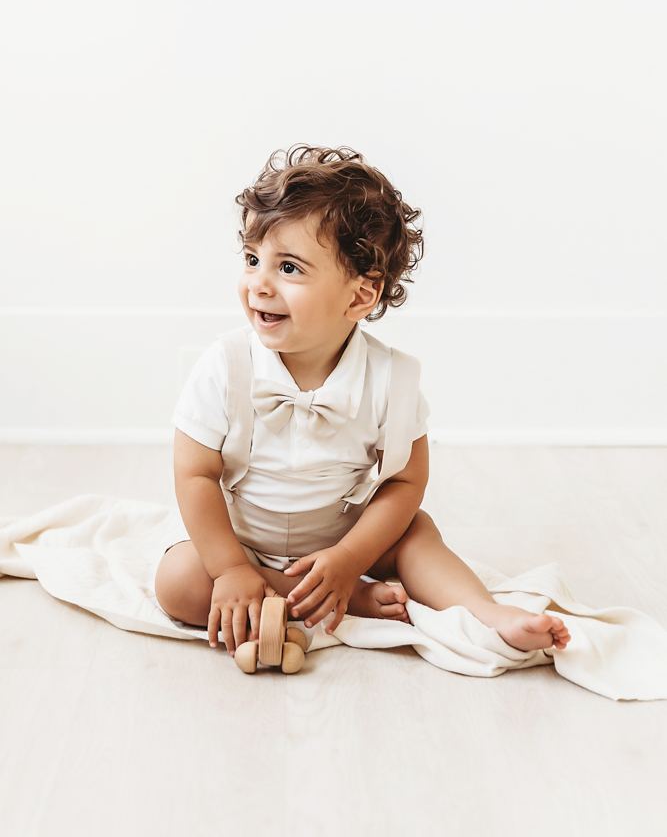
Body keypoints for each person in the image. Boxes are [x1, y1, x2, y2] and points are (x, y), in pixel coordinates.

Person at [155, 145, 570, 657]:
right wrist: (231, 569)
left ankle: (487, 614)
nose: (258, 284)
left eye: (288, 268)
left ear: (359, 296)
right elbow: (194, 473)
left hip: (345, 535)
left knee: (417, 533)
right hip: (243, 538)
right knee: (178, 581)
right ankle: (335, 598)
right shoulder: (225, 364)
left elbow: (405, 481)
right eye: (252, 259)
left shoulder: (391, 379)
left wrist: (352, 555)